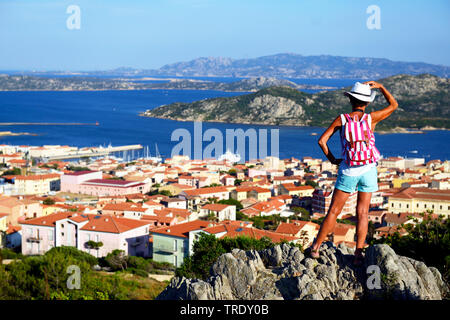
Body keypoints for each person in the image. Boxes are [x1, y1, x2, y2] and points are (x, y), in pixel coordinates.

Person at [306, 80, 398, 265]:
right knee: (363, 212)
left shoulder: (342, 119)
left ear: (350, 100)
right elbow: (394, 105)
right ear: (367, 102)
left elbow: (322, 141)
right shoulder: (371, 119)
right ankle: (358, 254)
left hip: (348, 170)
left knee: (333, 211)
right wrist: (380, 87)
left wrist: (333, 160)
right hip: (368, 169)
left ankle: (315, 248)